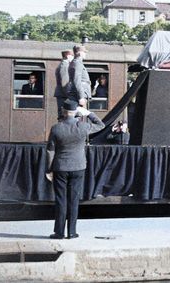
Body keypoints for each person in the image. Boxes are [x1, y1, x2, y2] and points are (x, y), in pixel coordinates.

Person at [46, 99, 105, 239]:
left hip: (60, 167)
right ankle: (72, 232)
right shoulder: (83, 127)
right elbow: (100, 125)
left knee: (61, 200)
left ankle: (59, 232)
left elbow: (50, 151)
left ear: (63, 112)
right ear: (76, 112)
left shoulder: (56, 128)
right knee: (74, 200)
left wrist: (49, 170)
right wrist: (89, 113)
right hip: (78, 167)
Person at [54, 50, 74, 119]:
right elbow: (65, 82)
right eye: (72, 56)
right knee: (64, 116)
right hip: (64, 95)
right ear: (68, 56)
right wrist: (69, 95)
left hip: (62, 94)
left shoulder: (62, 64)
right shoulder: (65, 65)